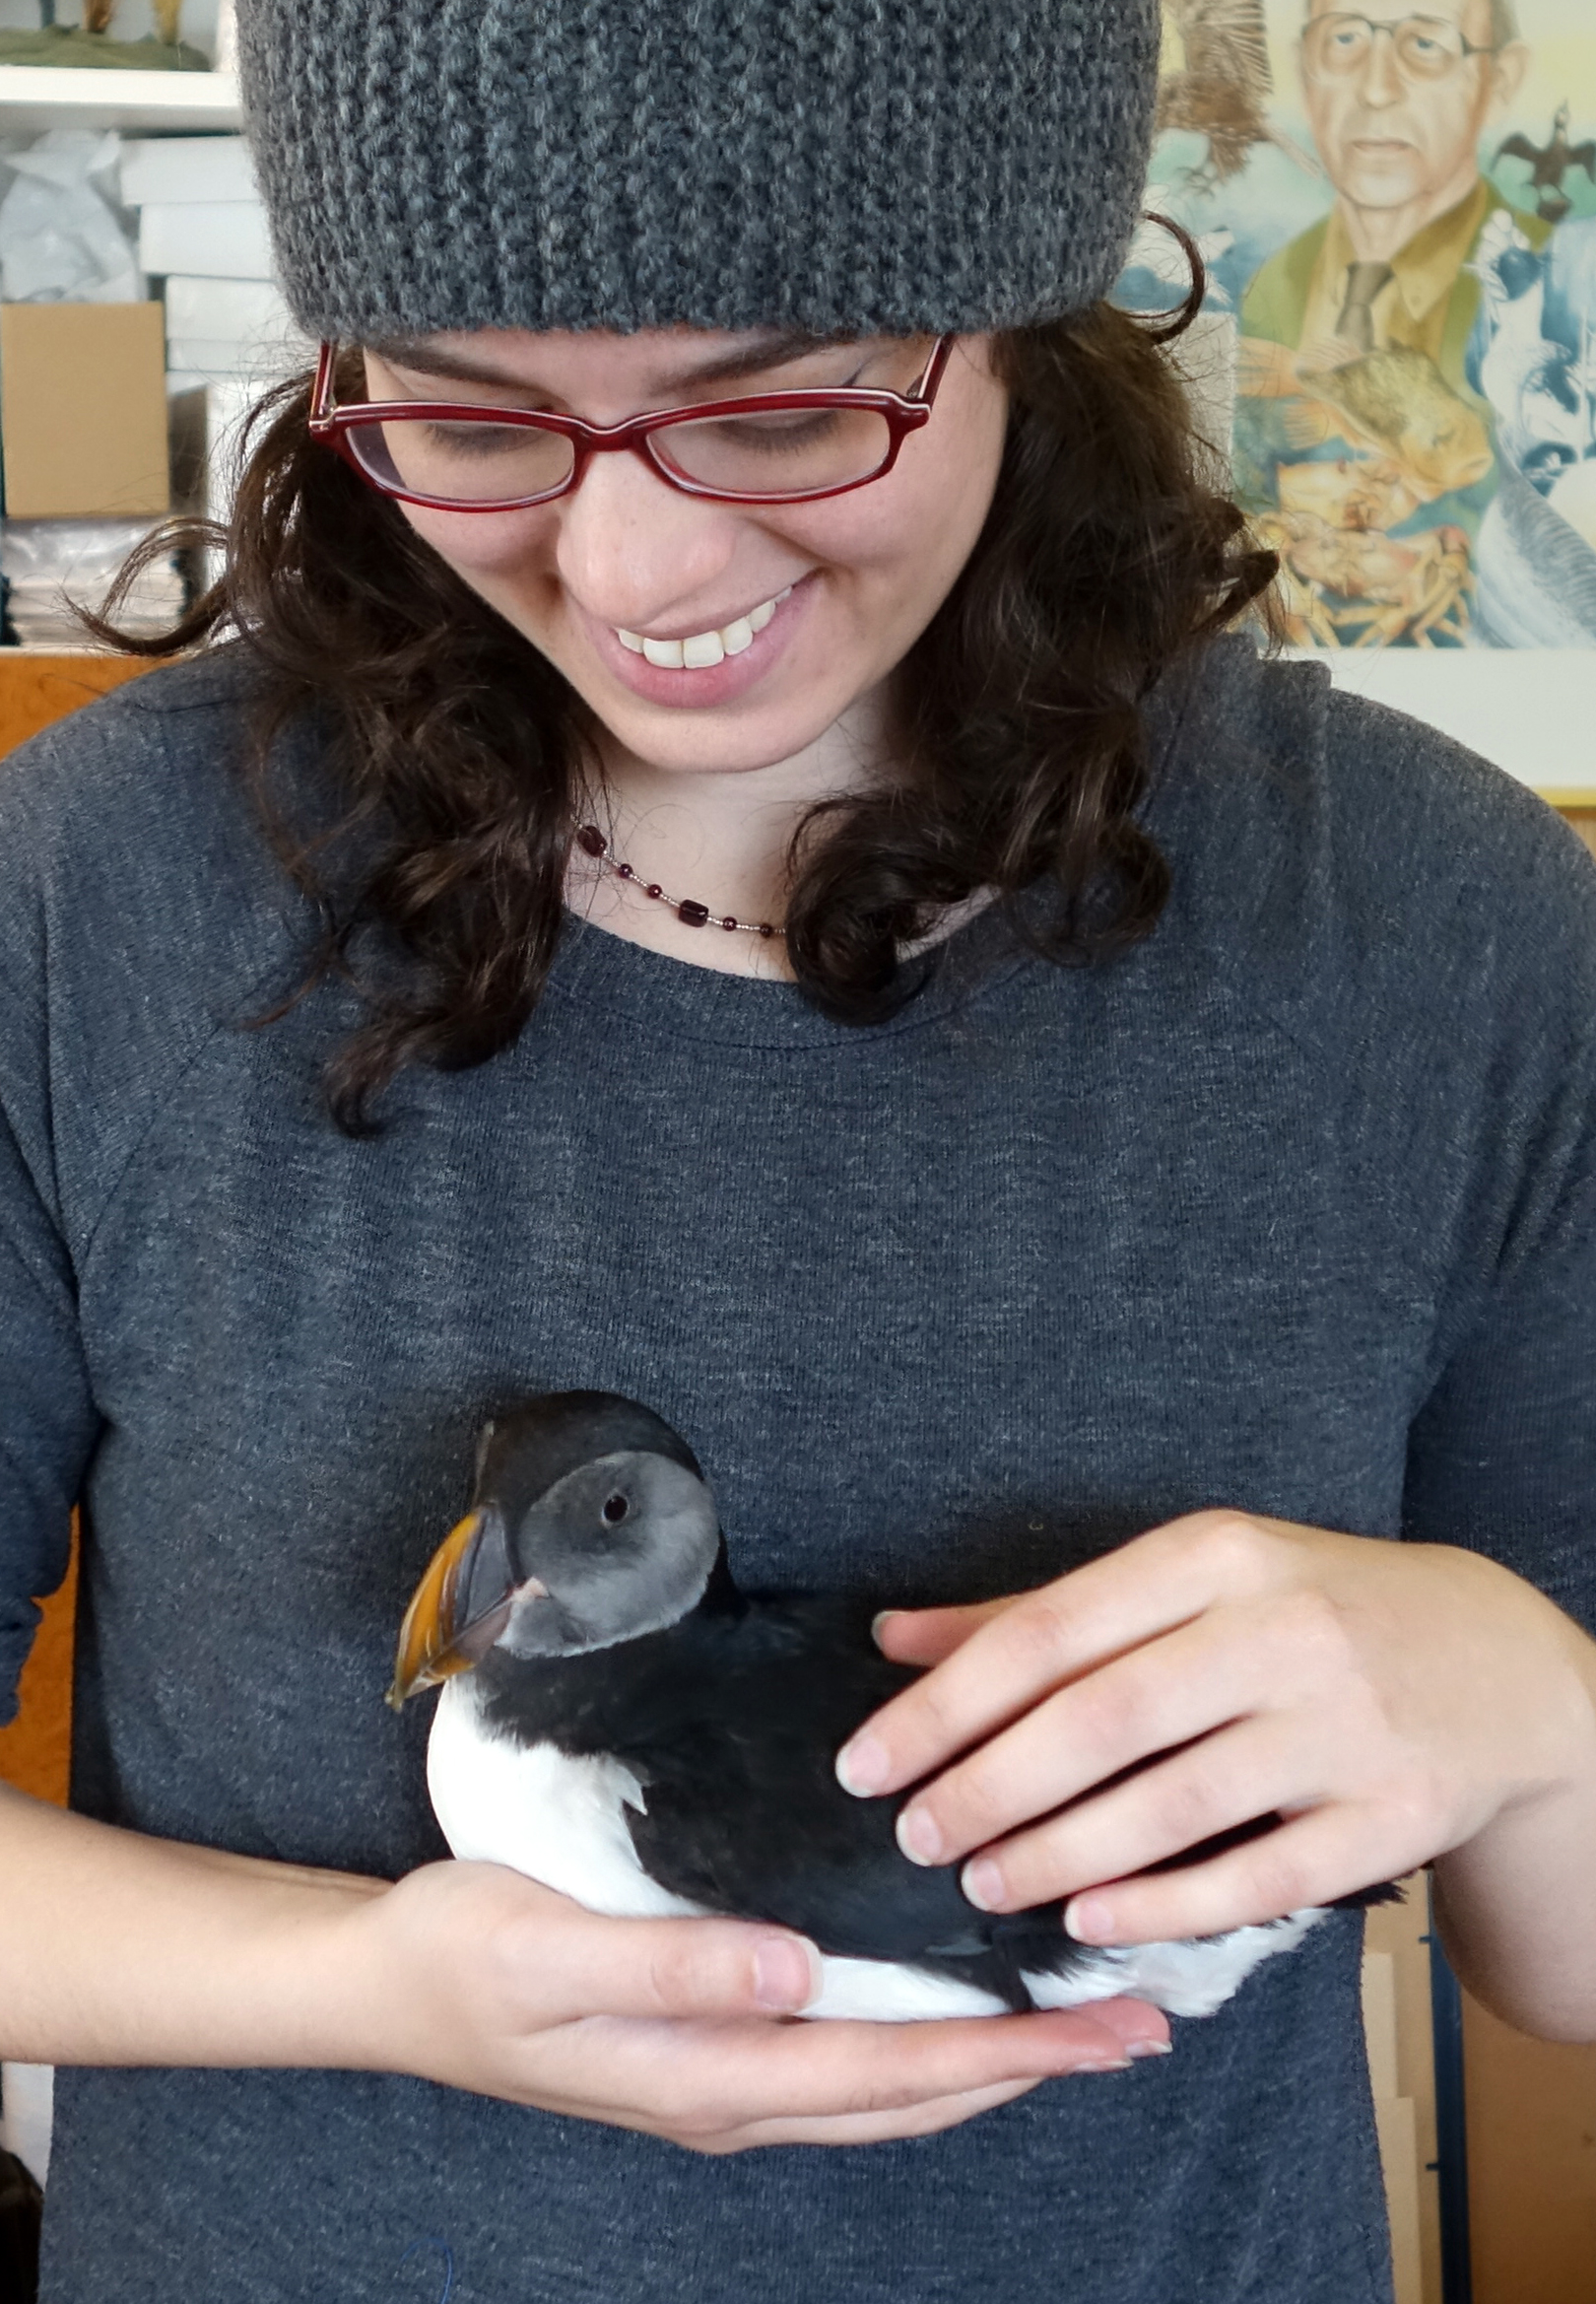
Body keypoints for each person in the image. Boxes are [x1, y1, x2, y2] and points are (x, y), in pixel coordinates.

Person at [1, 2, 1594, 2299]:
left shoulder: (1448, 942)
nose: (635, 565)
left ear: (1023, 326)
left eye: (776, 404)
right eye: (469, 414)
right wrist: (362, 1994)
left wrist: (1524, 1709)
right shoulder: (88, 899)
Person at [1236, 0, 1546, 643]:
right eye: (1344, 38)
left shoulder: (1554, 278)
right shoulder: (1270, 283)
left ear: (1502, 79)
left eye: (1426, 44)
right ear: (1304, 68)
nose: (1376, 87)